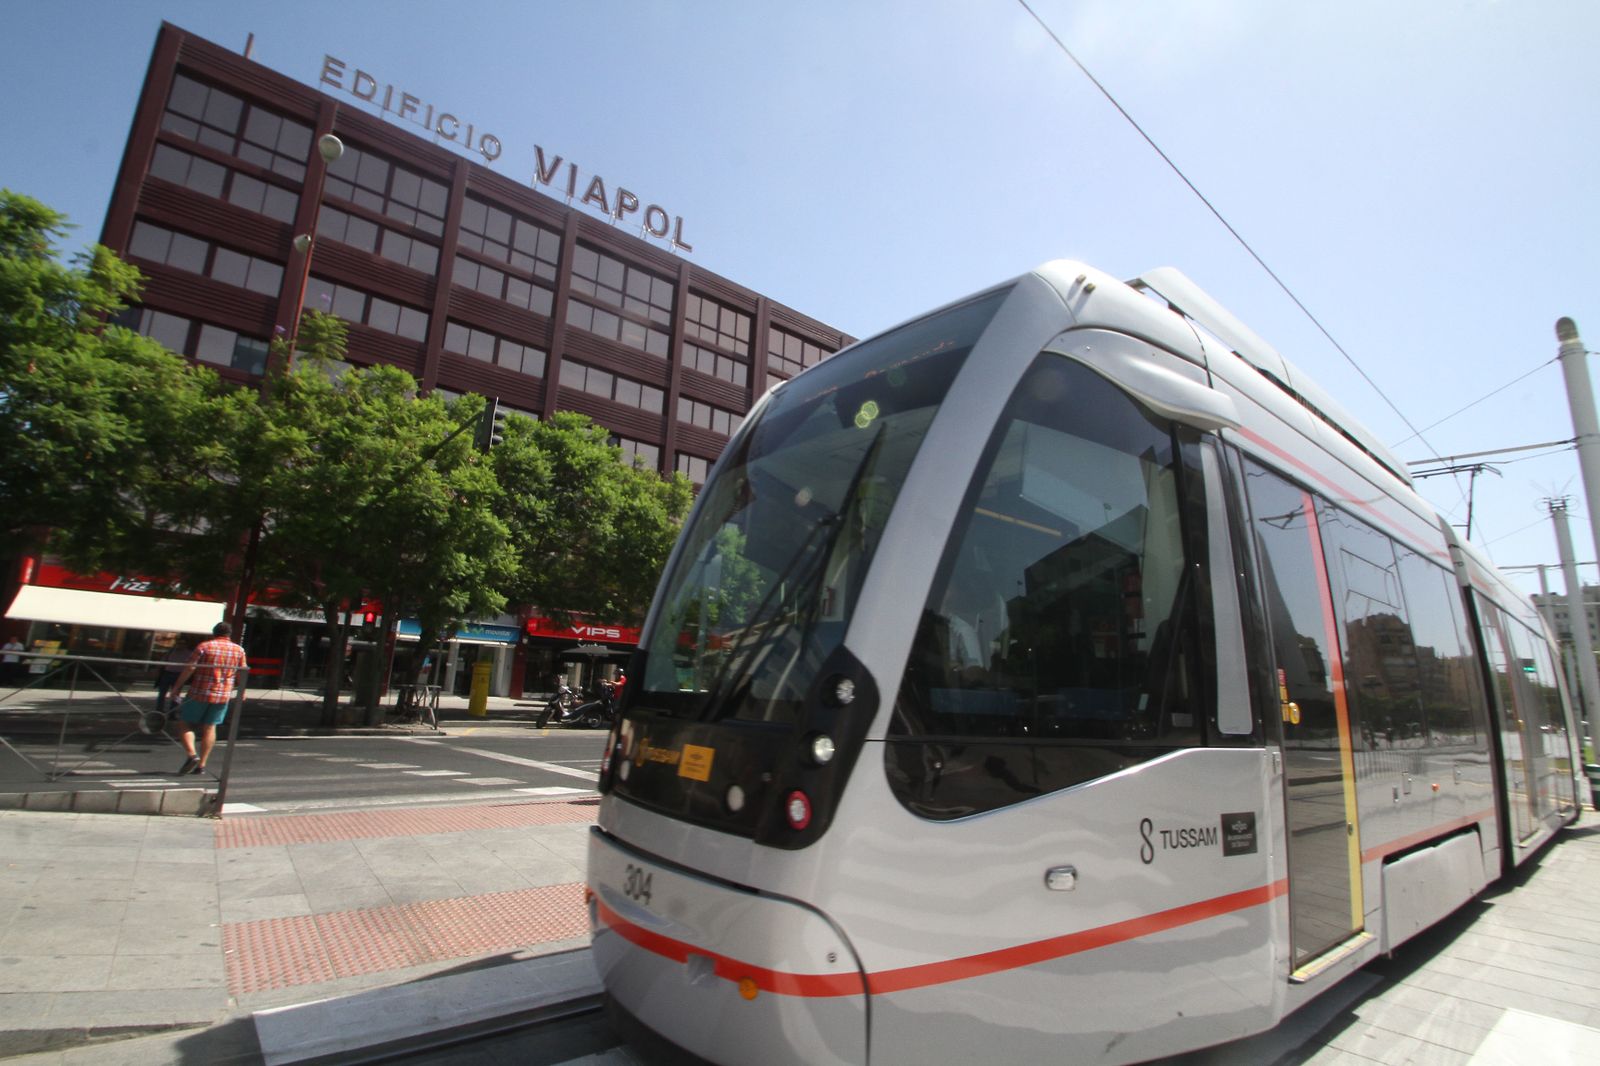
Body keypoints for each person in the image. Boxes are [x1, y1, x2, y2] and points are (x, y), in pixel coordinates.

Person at [170, 621, 247, 776]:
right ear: (229, 634)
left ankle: (192, 755)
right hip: (222, 695)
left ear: (214, 632)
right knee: (210, 727)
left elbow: (190, 667)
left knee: (185, 724)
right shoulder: (239, 650)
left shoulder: (204, 646)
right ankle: (202, 764)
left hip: (199, 692)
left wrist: (177, 687)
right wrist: (242, 690)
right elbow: (242, 672)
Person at [154, 640, 190, 715]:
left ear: (185, 645)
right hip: (167, 674)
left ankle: (173, 712)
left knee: (176, 695)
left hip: (179, 675)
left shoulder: (189, 653)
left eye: (182, 644)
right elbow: (162, 662)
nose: (179, 645)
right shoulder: (170, 652)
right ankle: (159, 710)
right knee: (162, 693)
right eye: (178, 643)